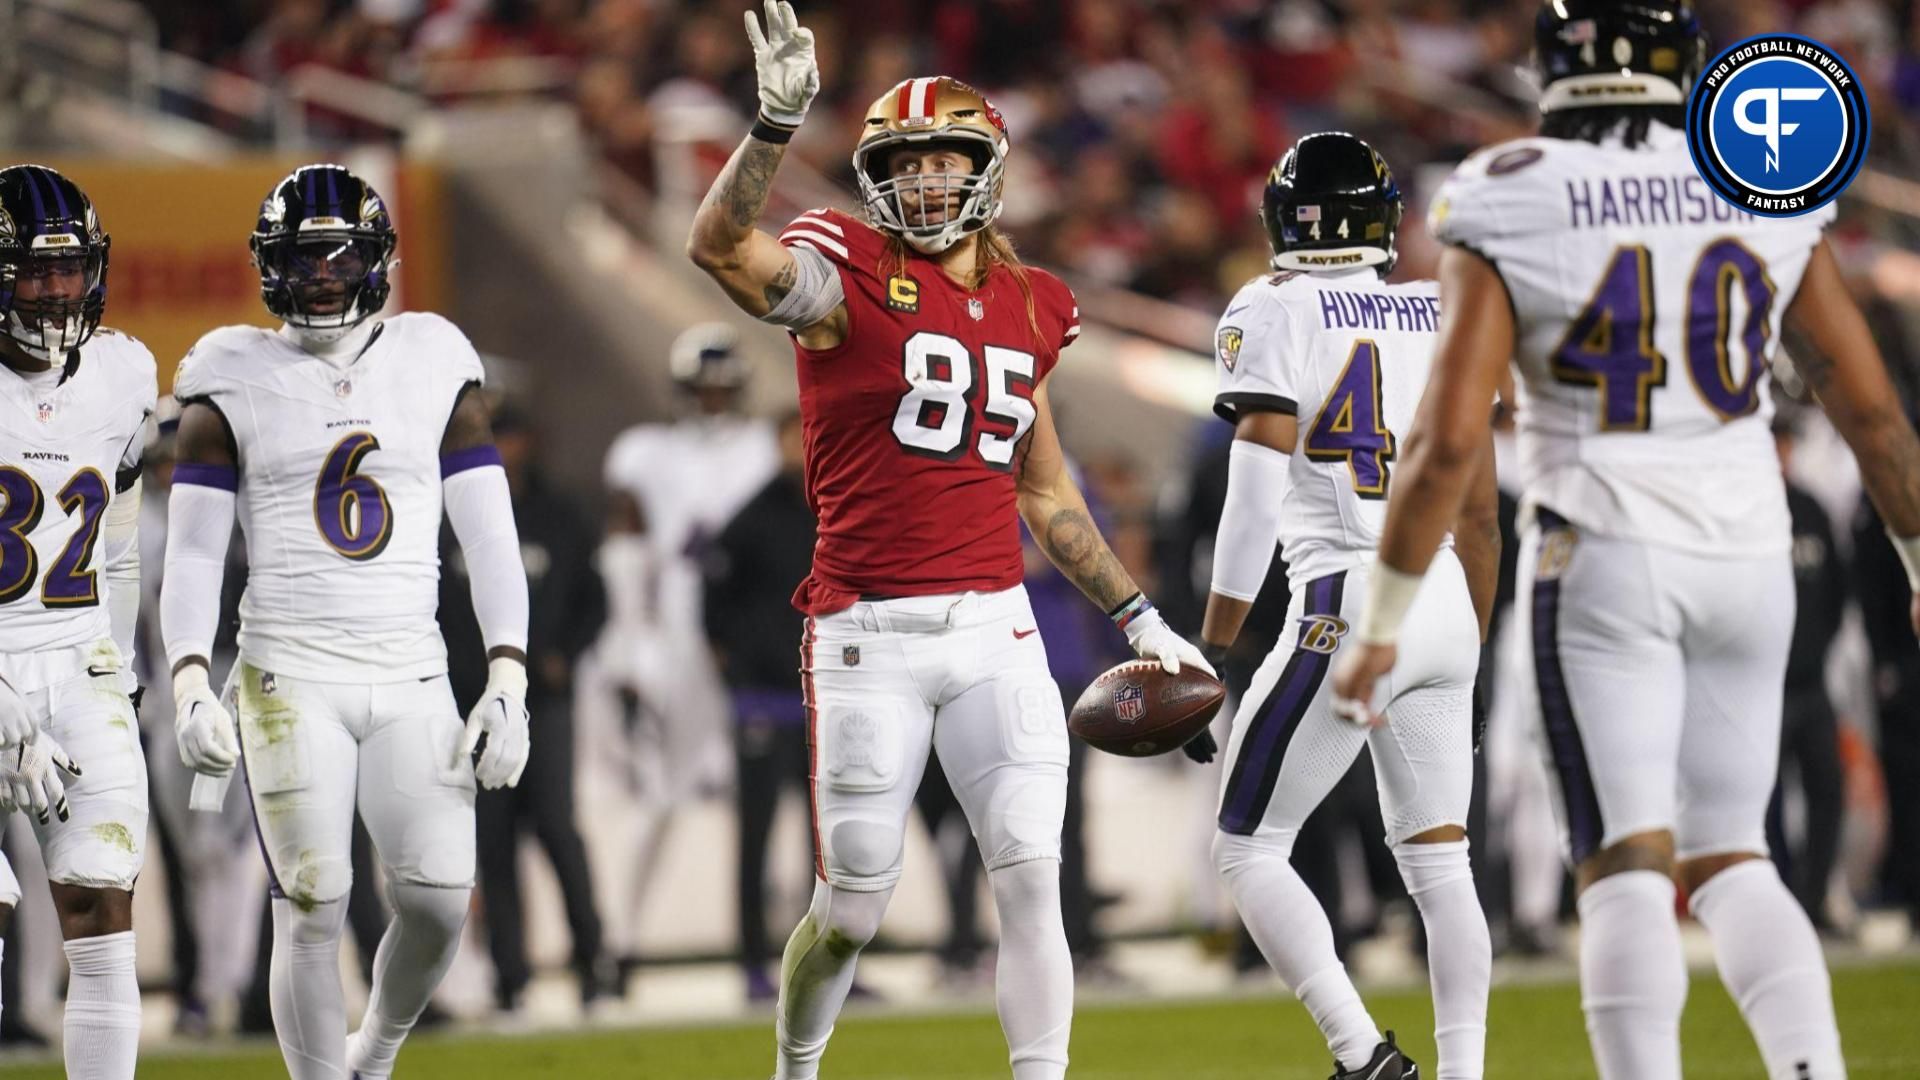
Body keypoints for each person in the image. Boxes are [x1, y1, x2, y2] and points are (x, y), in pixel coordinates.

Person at [1331, 3, 1920, 1077]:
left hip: (1603, 548)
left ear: (1555, 69)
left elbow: (1450, 434)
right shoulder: (1759, 179)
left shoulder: (1508, 188)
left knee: (1626, 865)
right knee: (1738, 856)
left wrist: (1381, 618)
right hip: (1749, 549)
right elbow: (1871, 410)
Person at [685, 5, 1211, 1078]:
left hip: (995, 632)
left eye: (944, 159)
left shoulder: (1034, 302)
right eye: (904, 162)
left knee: (1030, 873)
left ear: (988, 169)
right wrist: (775, 127)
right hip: (867, 632)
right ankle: (796, 1065)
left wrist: (1146, 620)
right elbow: (719, 246)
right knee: (855, 903)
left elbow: (1048, 492)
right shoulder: (846, 274)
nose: (925, 181)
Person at [160, 164, 531, 1080]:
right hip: (289, 669)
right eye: (303, 256)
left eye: (340, 254)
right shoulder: (228, 372)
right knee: (313, 899)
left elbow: (488, 536)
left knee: (442, 898)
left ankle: (375, 1052)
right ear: (270, 265)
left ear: (376, 260)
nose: (323, 273)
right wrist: (188, 676)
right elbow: (197, 551)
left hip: (412, 665)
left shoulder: (434, 356)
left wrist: (508, 674)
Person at [1194, 133, 1497, 1080]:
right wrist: (1469, 643)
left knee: (1247, 849)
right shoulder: (1439, 306)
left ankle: (1363, 1055)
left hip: (1345, 594)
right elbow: (1481, 507)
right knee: (1444, 868)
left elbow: (1250, 497)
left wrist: (1212, 643)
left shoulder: (1272, 305)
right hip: (1442, 590)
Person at [0, 164, 155, 1080]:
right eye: (32, 271)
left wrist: (119, 663)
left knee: (102, 907)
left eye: (69, 269)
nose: (57, 291)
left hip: (76, 659)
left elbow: (122, 535)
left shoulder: (124, 372)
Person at [596, 322, 778, 971]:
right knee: (661, 792)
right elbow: (624, 547)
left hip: (754, 637)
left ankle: (783, 941)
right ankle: (617, 941)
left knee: (777, 799)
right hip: (678, 634)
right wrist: (630, 638)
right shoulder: (647, 452)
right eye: (703, 391)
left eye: (723, 392)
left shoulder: (763, 448)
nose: (713, 403)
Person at [439, 402, 616, 1016]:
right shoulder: (446, 515)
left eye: (511, 437)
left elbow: (597, 599)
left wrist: (566, 652)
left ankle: (594, 963)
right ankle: (511, 976)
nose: (505, 450)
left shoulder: (559, 513)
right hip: (473, 705)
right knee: (494, 843)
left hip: (545, 703)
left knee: (559, 833)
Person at [703, 409, 815, 1001]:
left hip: (822, 698)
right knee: (757, 833)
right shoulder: (750, 517)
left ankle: (830, 963)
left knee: (830, 842)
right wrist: (739, 676)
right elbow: (712, 601)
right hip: (764, 700)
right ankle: (753, 962)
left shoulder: (834, 507)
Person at [1769, 414, 1846, 932]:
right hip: (1761, 687)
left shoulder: (1810, 509)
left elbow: (1838, 590)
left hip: (1811, 682)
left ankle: (1815, 900)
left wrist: (1817, 650)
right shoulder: (1742, 512)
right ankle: (1776, 908)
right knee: (1761, 806)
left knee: (1827, 791)